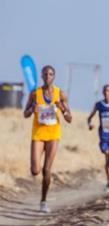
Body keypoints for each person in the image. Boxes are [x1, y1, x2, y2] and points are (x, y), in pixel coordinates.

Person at [23, 65, 72, 213]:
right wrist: (32, 109)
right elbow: (25, 114)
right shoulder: (34, 93)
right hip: (38, 134)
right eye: (45, 74)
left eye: (50, 74)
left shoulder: (60, 94)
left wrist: (62, 108)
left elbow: (69, 118)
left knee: (47, 169)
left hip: (53, 135)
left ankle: (43, 200)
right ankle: (41, 192)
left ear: (54, 76)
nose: (48, 76)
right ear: (42, 76)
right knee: (35, 170)